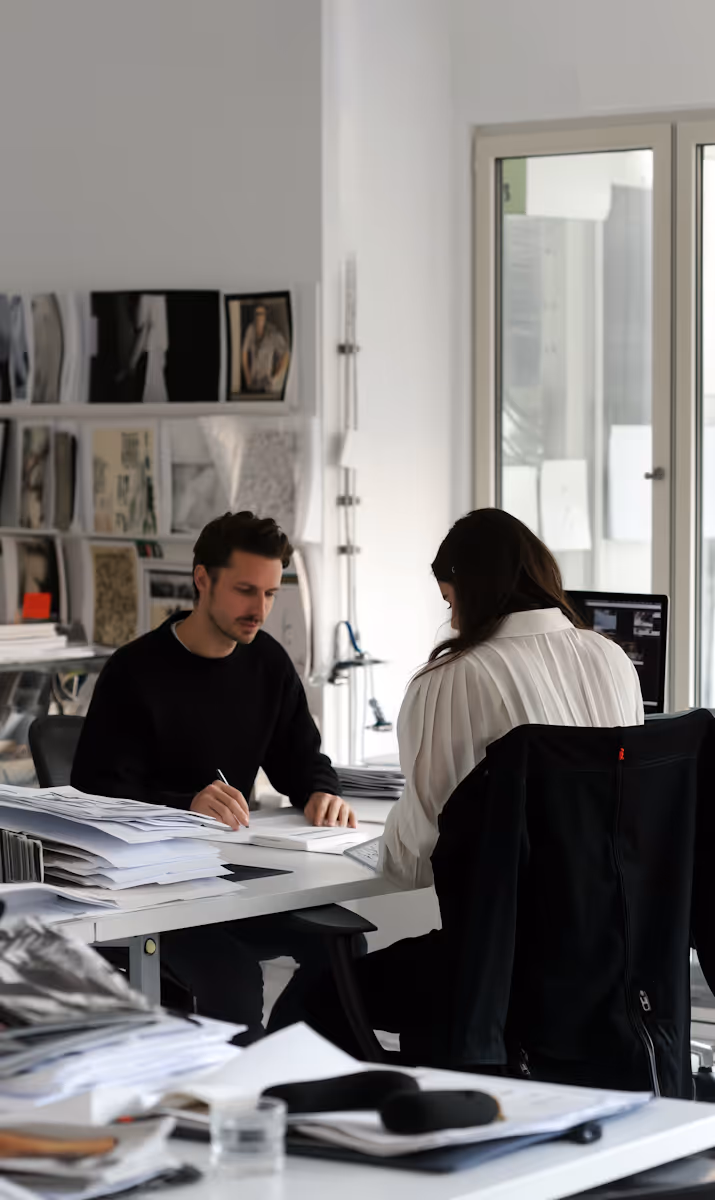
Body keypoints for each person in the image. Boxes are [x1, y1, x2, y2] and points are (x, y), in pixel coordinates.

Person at [269, 507, 644, 1055]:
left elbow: (417, 859)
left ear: (470, 591)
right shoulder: (613, 660)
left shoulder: (455, 679)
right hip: (611, 962)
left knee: (309, 1002)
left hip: (497, 970)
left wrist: (377, 843)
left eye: (450, 602)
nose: (452, 620)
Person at [72, 510, 356, 1038]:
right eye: (246, 590)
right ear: (202, 579)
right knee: (233, 978)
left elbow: (303, 759)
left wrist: (322, 791)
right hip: (151, 889)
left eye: (271, 594)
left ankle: (278, 1065)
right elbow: (98, 796)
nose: (260, 610)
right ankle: (230, 1108)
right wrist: (185, 804)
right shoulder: (134, 672)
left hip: (232, 876)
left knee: (343, 946)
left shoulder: (267, 663)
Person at [241, 303, 290, 394]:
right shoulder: (251, 330)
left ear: (265, 316)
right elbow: (244, 352)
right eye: (257, 314)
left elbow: (286, 352)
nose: (259, 317)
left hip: (267, 384)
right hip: (253, 383)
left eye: (262, 314)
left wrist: (275, 377)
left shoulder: (272, 332)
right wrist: (247, 378)